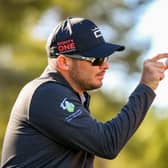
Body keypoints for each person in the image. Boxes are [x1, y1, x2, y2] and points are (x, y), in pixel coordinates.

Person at [1, 17, 168, 168]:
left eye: (106, 57)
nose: (106, 65)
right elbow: (107, 143)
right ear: (64, 62)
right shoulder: (46, 93)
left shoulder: (70, 95)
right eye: (96, 59)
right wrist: (146, 87)